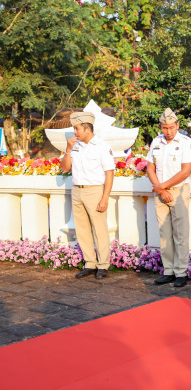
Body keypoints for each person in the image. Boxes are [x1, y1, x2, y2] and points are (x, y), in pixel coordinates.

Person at [61, 112, 115, 279]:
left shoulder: (101, 146)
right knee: (82, 229)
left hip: (95, 190)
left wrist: (105, 197)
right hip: (77, 190)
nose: (75, 132)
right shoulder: (75, 146)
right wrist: (68, 149)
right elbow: (65, 168)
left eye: (77, 129)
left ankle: (103, 265)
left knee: (99, 229)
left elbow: (110, 173)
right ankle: (90, 264)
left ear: (87, 128)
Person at [146, 108, 191, 288]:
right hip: (161, 192)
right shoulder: (156, 142)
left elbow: (186, 171)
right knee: (164, 233)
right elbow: (150, 169)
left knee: (180, 233)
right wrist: (160, 190)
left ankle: (181, 272)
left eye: (171, 128)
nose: (168, 132)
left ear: (178, 126)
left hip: (178, 191)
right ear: (160, 126)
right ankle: (168, 271)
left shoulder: (185, 142)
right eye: (165, 128)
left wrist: (162, 187)